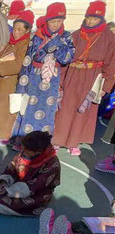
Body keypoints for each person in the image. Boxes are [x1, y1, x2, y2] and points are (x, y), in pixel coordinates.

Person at [53, 1, 115, 156]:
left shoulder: (109, 38)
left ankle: (74, 142)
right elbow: (64, 60)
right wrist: (60, 81)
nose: (90, 21)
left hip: (93, 78)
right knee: (64, 108)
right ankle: (57, 140)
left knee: (84, 112)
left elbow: (111, 64)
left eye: (94, 18)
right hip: (72, 75)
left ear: (101, 19)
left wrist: (105, 86)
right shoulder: (75, 35)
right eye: (88, 17)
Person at [11, 3, 74, 143]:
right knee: (28, 109)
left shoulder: (66, 36)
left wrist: (57, 45)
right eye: (53, 21)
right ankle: (24, 141)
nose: (56, 24)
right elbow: (29, 58)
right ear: (47, 20)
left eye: (59, 21)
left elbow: (67, 58)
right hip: (34, 76)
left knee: (46, 112)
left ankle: (41, 143)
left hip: (52, 80)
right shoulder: (38, 35)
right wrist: (22, 84)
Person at [0, 10, 34, 142]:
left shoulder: (26, 45)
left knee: (4, 110)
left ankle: (1, 134)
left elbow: (19, 64)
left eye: (19, 29)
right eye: (15, 28)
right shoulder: (10, 42)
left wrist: (0, 65)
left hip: (11, 82)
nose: (16, 32)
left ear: (27, 30)